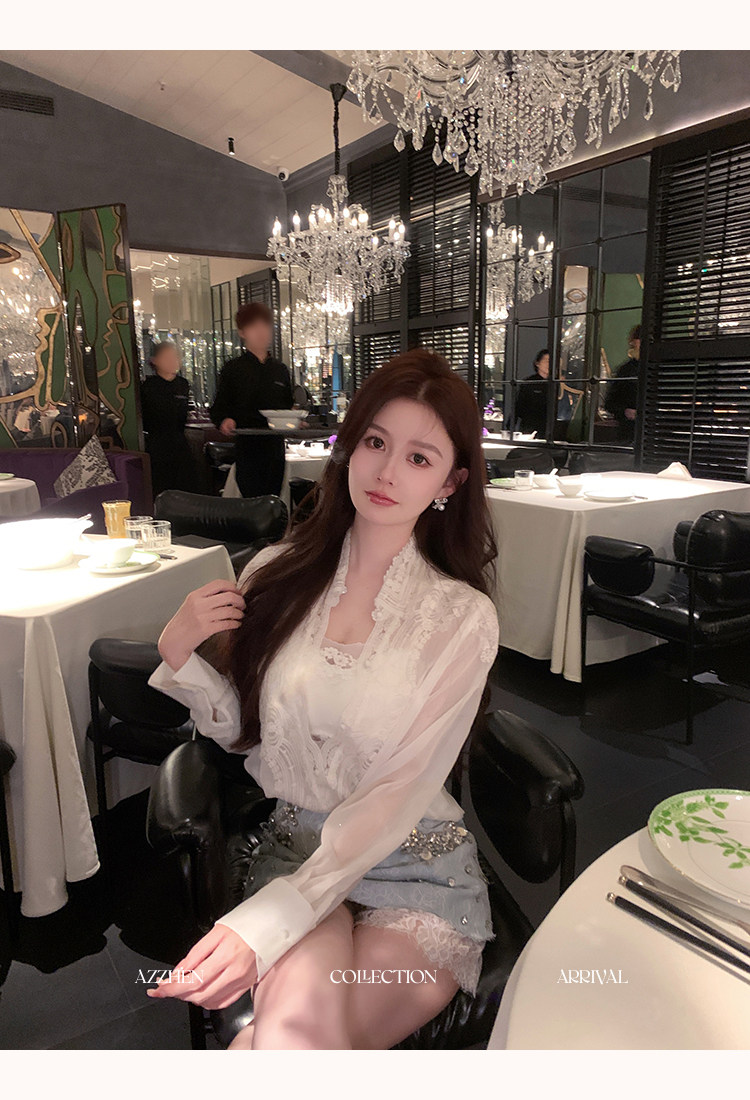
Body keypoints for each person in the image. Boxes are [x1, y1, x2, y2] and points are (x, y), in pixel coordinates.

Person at [147, 350, 500, 1050]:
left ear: (451, 481)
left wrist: (266, 924)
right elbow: (251, 736)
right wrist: (179, 654)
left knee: (282, 1044)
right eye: (375, 442)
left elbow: (398, 793)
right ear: (349, 448)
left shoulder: (462, 619)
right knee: (292, 1041)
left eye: (419, 457)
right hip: (296, 851)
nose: (387, 471)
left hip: (415, 864)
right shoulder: (275, 573)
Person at [210, 302, 293, 498]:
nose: (261, 331)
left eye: (265, 325)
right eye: (254, 326)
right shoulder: (233, 369)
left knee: (274, 500)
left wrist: (294, 420)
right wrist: (225, 420)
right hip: (248, 448)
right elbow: (219, 408)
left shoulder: (280, 370)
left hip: (276, 448)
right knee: (251, 502)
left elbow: (287, 406)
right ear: (242, 332)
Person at [140, 342, 196, 498]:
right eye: (167, 357)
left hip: (180, 444)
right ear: (155, 361)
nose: (173, 361)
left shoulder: (183, 384)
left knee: (187, 489)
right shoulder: (148, 387)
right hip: (157, 446)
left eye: (175, 357)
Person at [604, 325, 641, 443]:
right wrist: (625, 411)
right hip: (630, 432)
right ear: (634, 342)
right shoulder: (626, 370)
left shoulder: (660, 368)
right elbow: (610, 403)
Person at [515, 349, 550, 436]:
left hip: (550, 429)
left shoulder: (556, 383)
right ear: (537, 363)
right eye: (547, 361)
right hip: (530, 427)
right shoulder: (529, 382)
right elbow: (518, 407)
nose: (549, 364)